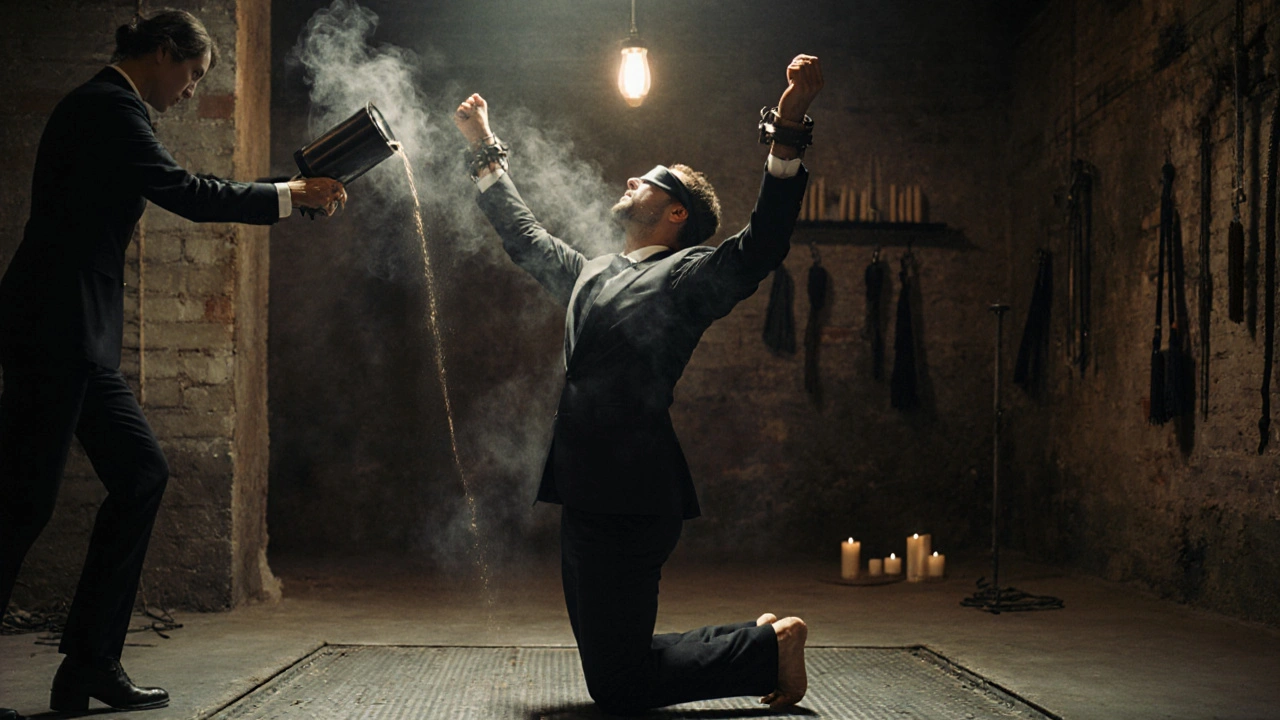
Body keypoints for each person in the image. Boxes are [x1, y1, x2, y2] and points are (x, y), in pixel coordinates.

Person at [0, 10, 346, 717]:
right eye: (191, 75)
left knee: (141, 475)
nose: (190, 91)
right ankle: (88, 664)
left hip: (76, 335)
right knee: (19, 503)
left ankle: (89, 665)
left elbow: (177, 189)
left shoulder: (109, 107)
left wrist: (290, 193)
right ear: (162, 53)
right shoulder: (108, 107)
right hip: (54, 330)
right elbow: (186, 193)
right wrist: (288, 195)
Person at [453, 54, 823, 714]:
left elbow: (762, 245)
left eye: (649, 180)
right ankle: (763, 643)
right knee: (617, 666)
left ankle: (768, 651)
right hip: (584, 491)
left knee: (618, 686)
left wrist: (789, 127)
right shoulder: (594, 272)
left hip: (630, 497)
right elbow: (525, 238)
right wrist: (484, 145)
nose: (631, 179)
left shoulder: (686, 279)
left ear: (676, 213)